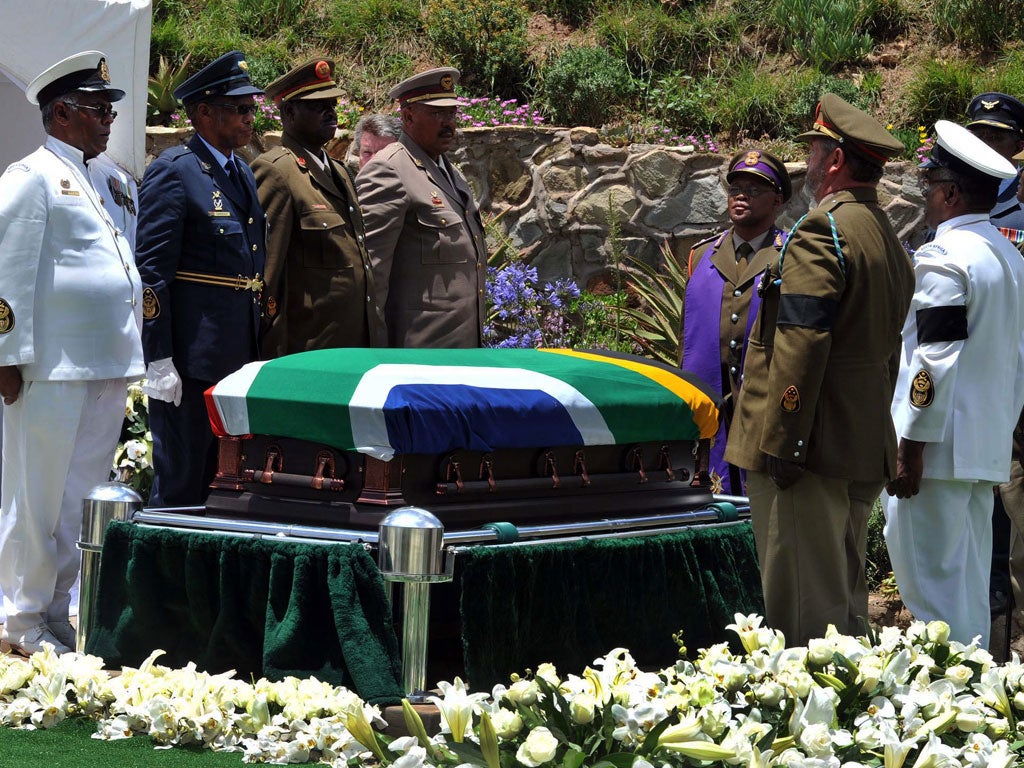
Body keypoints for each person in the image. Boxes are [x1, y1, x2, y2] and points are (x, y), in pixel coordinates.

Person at [724, 94, 914, 646]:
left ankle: (812, 726)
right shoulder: (881, 232)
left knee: (805, 616)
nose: (805, 163)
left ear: (834, 161)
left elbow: (801, 346)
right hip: (856, 441)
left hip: (808, 447)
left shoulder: (819, 229)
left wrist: (784, 444)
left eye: (812, 152)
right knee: (845, 601)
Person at [0, 51, 144, 655]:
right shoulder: (29, 176)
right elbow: (8, 270)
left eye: (110, 107)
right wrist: (6, 356)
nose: (108, 118)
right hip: (50, 366)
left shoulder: (109, 178)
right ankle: (19, 618)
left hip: (105, 362)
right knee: (35, 498)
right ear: (61, 113)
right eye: (97, 108)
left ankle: (58, 612)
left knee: (80, 497)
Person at [884, 120, 1024, 648]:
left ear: (949, 193)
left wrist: (910, 448)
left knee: (931, 603)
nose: (926, 201)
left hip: (935, 454)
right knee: (963, 592)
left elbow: (934, 360)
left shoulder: (944, 257)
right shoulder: (1010, 257)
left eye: (929, 190)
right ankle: (980, 708)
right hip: (981, 450)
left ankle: (944, 717)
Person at [135, 51, 266, 507]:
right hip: (191, 363)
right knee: (182, 485)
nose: (250, 118)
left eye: (252, 108)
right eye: (240, 109)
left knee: (226, 487)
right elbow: (152, 274)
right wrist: (159, 359)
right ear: (203, 112)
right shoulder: (175, 172)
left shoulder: (242, 172)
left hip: (236, 357)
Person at [252, 58, 383, 357]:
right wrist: (268, 349)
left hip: (354, 340)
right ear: (288, 112)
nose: (330, 112)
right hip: (309, 346)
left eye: (332, 104)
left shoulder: (339, 172)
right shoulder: (278, 171)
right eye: (317, 105)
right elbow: (267, 273)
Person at [680, 149, 791, 495]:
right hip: (708, 406)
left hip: (761, 409)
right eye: (735, 189)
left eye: (755, 190)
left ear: (778, 201)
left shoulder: (791, 254)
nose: (741, 196)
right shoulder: (701, 255)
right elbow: (687, 337)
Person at [355, 67, 487, 348]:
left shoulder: (451, 173)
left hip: (461, 351)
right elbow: (371, 278)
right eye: (437, 114)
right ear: (408, 116)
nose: (448, 123)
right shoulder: (389, 169)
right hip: (418, 354)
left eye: (451, 113)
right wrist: (375, 358)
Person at [966, 92, 1024, 233]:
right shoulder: (954, 194)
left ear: (1019, 147)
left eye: (994, 138)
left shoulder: (1022, 199)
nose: (983, 144)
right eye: (978, 137)